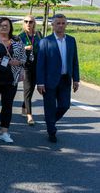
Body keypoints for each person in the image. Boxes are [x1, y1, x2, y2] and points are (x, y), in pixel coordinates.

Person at [36, 14, 80, 143]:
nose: (61, 25)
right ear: (53, 25)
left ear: (66, 24)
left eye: (63, 23)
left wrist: (76, 79)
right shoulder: (45, 41)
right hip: (49, 81)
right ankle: (51, 131)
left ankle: (50, 120)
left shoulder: (71, 40)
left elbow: (74, 61)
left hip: (65, 79)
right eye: (58, 23)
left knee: (65, 105)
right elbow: (40, 64)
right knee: (49, 107)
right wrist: (40, 82)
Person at [18, 15, 43, 125]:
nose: (28, 24)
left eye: (31, 22)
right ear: (23, 23)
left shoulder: (38, 35)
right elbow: (16, 50)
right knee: (27, 89)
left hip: (37, 65)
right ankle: (29, 115)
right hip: (26, 66)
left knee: (31, 89)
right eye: (26, 21)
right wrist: (24, 48)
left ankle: (24, 105)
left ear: (34, 23)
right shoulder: (20, 36)